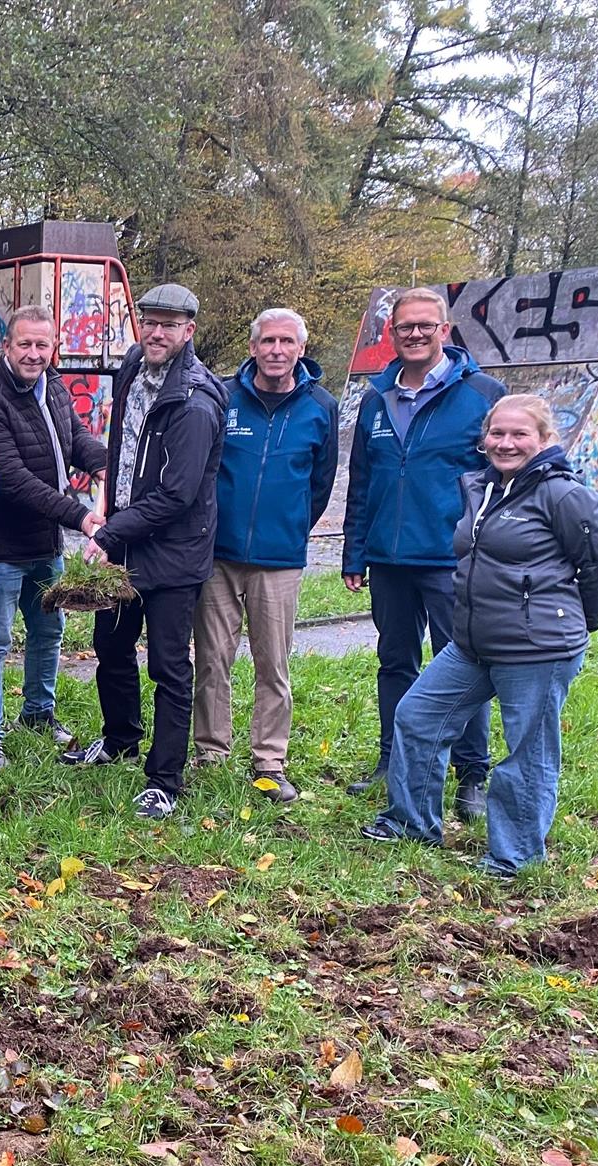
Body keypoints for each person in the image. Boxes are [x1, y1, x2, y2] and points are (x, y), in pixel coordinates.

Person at [363, 395, 598, 875]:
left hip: (537, 650)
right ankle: (412, 822)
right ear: (484, 440)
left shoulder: (562, 494)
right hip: (473, 643)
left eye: (519, 434)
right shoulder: (482, 487)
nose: (506, 443)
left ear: (544, 440)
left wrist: (579, 623)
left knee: (528, 753)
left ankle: (515, 855)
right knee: (417, 716)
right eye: (497, 433)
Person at [65, 283, 227, 820]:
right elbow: (121, 450)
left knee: (167, 665)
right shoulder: (132, 366)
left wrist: (108, 534)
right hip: (127, 543)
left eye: (169, 324)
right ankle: (120, 738)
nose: (156, 333)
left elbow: (178, 496)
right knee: (110, 647)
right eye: (149, 321)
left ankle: (164, 778)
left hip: (173, 555)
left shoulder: (196, 403)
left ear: (189, 331)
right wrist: (113, 523)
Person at [342, 285, 504, 819]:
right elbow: (362, 481)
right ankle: (394, 760)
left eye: (424, 326)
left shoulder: (481, 392)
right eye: (403, 327)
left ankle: (472, 774)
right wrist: (354, 553)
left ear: (445, 331)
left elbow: (503, 477)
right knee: (395, 662)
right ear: (392, 334)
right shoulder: (377, 397)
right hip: (388, 559)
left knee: (462, 665)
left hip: (452, 559)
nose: (413, 334)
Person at [191, 307, 338, 802]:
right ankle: (211, 752)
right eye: (267, 341)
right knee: (212, 659)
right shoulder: (224, 397)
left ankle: (269, 761)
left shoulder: (321, 406)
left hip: (280, 559)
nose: (276, 350)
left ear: (301, 348)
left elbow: (320, 486)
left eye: (286, 342)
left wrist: (290, 527)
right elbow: (205, 472)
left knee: (272, 665)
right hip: (218, 555)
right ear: (253, 348)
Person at [0, 303, 109, 771]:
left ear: (53, 348)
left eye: (41, 345)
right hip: (0, 549)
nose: (32, 353)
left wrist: (104, 462)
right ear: (6, 346)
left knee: (49, 632)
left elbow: (75, 439)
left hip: (46, 547)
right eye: (23, 344)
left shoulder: (56, 388)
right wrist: (81, 517)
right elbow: (12, 478)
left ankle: (38, 714)